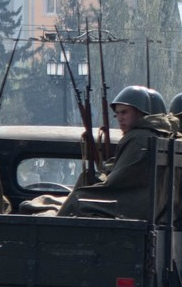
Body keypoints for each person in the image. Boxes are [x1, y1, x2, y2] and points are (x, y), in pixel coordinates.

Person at [56, 86, 174, 218]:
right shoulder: (159, 135)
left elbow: (118, 180)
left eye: (124, 113)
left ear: (141, 112)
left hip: (133, 204)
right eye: (117, 114)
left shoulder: (138, 137)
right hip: (149, 204)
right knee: (84, 185)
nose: (119, 118)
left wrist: (101, 180)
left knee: (77, 200)